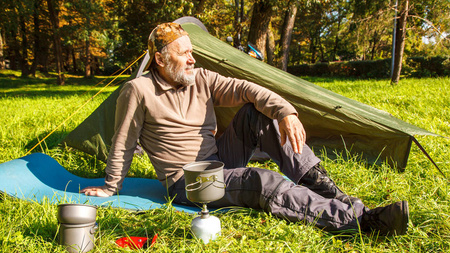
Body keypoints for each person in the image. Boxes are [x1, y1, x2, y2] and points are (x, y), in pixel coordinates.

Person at [81, 23, 409, 236]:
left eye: (192, 52)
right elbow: (122, 142)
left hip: (219, 158)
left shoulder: (202, 79)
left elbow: (248, 88)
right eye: (184, 55)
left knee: (260, 115)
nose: (193, 60)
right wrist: (111, 187)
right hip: (187, 181)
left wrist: (286, 113)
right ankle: (360, 223)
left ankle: (341, 201)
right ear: (160, 59)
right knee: (260, 180)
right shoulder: (137, 91)